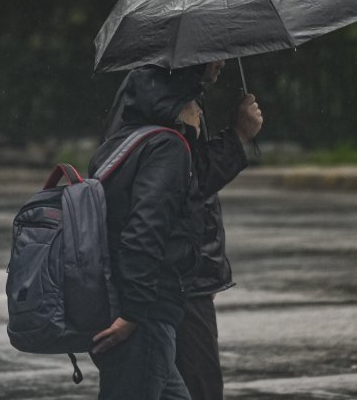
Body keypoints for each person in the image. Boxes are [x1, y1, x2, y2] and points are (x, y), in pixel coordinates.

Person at [101, 59, 264, 400]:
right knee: (193, 385)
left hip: (167, 283)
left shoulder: (159, 97)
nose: (221, 61)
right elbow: (158, 210)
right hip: (165, 286)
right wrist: (238, 136)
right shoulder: (166, 116)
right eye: (215, 51)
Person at [87, 65, 207, 400]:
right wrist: (134, 313)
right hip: (144, 314)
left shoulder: (120, 144)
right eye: (194, 101)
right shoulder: (168, 147)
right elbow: (145, 229)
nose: (199, 110)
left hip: (117, 300)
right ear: (176, 102)